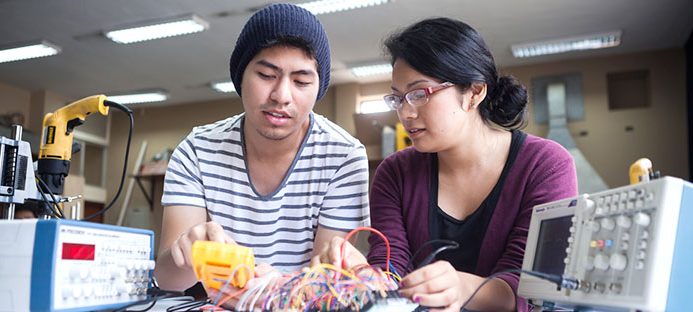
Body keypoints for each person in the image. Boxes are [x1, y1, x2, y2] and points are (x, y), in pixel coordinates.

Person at [316, 18, 577, 311]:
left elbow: (529, 287)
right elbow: (391, 266)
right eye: (398, 98)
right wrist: (365, 275)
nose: (405, 113)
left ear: (475, 92)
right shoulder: (395, 173)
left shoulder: (545, 165)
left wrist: (462, 287)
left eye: (419, 94)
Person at [154, 3, 370, 294]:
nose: (281, 96)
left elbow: (325, 283)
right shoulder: (196, 151)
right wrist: (186, 256)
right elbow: (169, 280)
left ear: (318, 87)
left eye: (301, 81)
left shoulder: (344, 157)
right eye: (267, 76)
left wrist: (270, 291)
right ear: (241, 75)